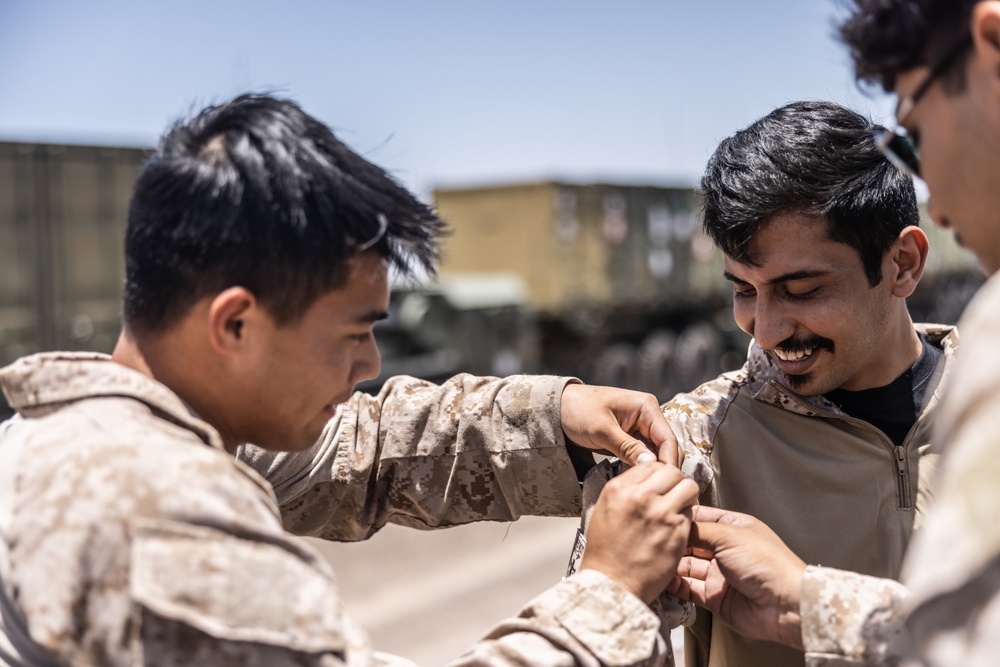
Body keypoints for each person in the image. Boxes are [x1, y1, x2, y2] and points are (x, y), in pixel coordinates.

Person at [0, 93, 700, 666]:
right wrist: (610, 590)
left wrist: (555, 417)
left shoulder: (91, 432)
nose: (369, 365)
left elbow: (361, 449)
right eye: (354, 332)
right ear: (234, 324)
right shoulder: (162, 515)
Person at [669, 2, 1000, 665]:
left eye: (802, 290)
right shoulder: (699, 441)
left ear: (902, 264)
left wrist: (806, 600)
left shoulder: (987, 406)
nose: (765, 329)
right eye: (742, 290)